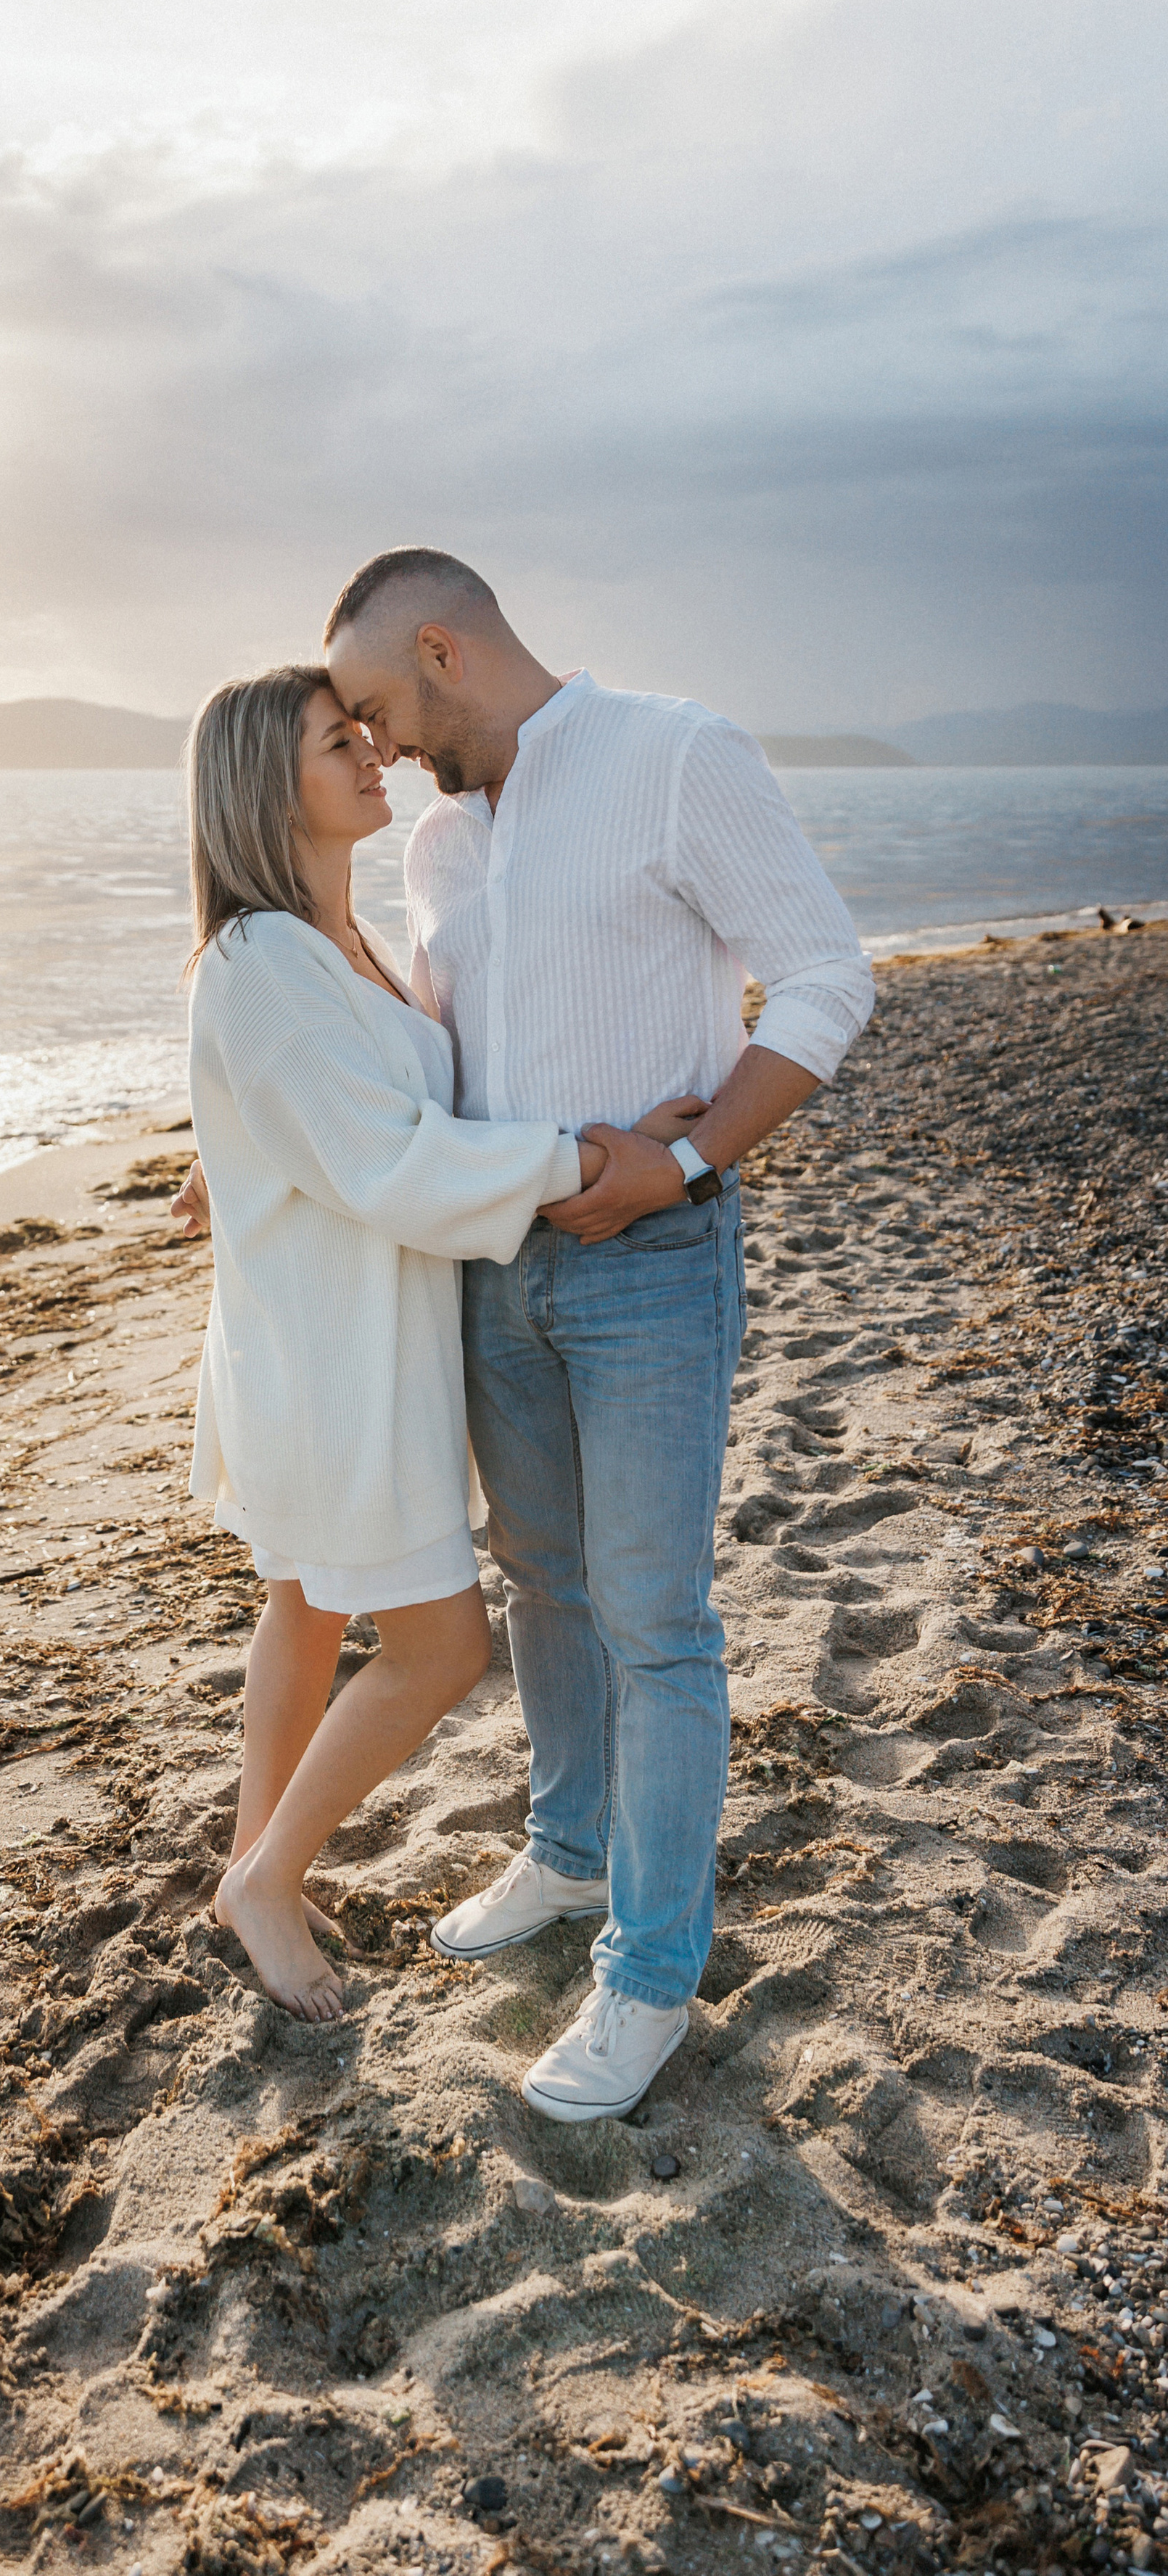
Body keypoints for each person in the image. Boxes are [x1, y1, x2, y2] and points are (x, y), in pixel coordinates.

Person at [317, 546, 874, 2121]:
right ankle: (566, 1855)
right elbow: (440, 1055)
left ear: (440, 649)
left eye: (373, 707)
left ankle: (646, 1971)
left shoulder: (671, 753)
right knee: (540, 1584)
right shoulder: (432, 844)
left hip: (650, 1263)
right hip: (493, 1266)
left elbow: (827, 980)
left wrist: (682, 1158)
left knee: (654, 1620)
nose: (373, 746)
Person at [178, 664, 704, 2025]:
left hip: (346, 1339)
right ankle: (265, 1879)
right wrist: (582, 1155)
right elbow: (384, 1156)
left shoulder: (333, 944)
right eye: (331, 741)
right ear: (257, 784)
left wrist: (224, 1144)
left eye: (364, 730)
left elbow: (347, 1099)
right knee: (440, 1649)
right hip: (334, 1367)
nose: (370, 752)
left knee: (301, 1610)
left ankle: (257, 1865)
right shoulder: (263, 961)